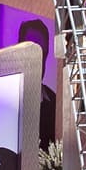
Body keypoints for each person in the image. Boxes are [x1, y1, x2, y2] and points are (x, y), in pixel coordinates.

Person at [17, 18, 57, 151]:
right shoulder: (4, 99)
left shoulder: (54, 103)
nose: (37, 59)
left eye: (41, 52)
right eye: (31, 51)